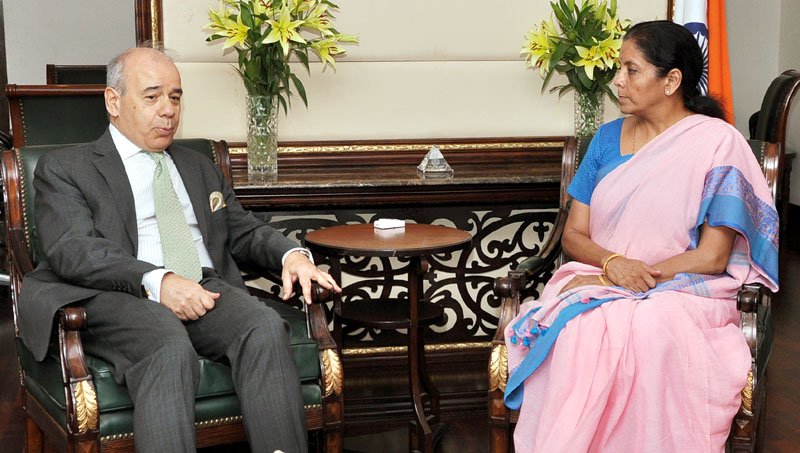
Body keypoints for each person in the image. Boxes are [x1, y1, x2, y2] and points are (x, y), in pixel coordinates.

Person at [16, 46, 341, 452]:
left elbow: (240, 229)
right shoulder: (68, 168)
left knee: (262, 326)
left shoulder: (197, 165)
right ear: (113, 102)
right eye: (152, 97)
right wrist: (160, 281)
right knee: (167, 345)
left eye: (175, 97)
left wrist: (290, 255)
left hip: (201, 284)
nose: (168, 110)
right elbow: (74, 250)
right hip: (118, 293)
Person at [503, 21, 778, 452]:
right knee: (584, 329)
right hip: (596, 271)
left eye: (632, 70)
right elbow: (574, 235)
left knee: (649, 328)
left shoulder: (717, 144)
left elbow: (712, 257)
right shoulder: (606, 140)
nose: (618, 81)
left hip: (686, 287)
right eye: (619, 68)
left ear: (671, 81)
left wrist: (627, 277)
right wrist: (613, 266)